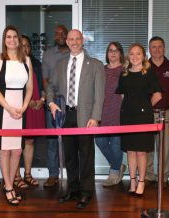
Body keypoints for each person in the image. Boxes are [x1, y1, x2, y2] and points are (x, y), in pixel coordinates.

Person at [47, 29, 105, 209]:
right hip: (66, 115)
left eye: (77, 39)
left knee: (86, 155)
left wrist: (95, 117)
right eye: (70, 39)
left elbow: (99, 94)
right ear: (67, 41)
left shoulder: (95, 64)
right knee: (70, 156)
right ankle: (73, 189)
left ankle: (87, 192)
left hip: (86, 116)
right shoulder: (60, 64)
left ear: (82, 41)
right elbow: (51, 86)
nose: (74, 42)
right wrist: (50, 103)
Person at [0, 25, 33, 206]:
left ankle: (11, 183)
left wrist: (23, 107)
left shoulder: (26, 60)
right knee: (4, 150)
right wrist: (8, 107)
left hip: (20, 110)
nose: (12, 40)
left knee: (17, 150)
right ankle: (8, 186)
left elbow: (29, 87)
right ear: (4, 40)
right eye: (9, 37)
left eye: (15, 37)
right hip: (3, 109)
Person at [115, 43, 162, 197]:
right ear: (129, 56)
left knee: (141, 152)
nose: (135, 57)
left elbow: (158, 95)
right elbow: (122, 95)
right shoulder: (125, 73)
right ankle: (133, 181)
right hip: (127, 116)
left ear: (143, 56)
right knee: (130, 151)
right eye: (132, 54)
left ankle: (142, 181)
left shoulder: (148, 73)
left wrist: (145, 107)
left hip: (143, 117)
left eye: (138, 54)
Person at [146, 36, 169, 187]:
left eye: (160, 46)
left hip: (166, 113)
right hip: (146, 113)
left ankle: (164, 177)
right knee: (147, 146)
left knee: (165, 147)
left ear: (164, 48)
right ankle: (148, 176)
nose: (156, 49)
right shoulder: (143, 66)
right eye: (153, 47)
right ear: (149, 49)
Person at [14, 35, 45, 188]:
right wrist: (28, 102)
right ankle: (16, 176)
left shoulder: (36, 64)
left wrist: (42, 100)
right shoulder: (13, 64)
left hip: (36, 107)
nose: (25, 48)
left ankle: (27, 174)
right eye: (22, 45)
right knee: (17, 143)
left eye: (27, 45)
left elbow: (43, 85)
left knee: (30, 141)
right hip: (20, 107)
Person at [95, 42, 126, 187]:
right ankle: (118, 165)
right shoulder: (101, 69)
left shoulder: (125, 70)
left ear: (120, 53)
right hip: (102, 111)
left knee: (115, 144)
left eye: (116, 51)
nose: (113, 53)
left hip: (118, 111)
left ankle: (114, 173)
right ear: (107, 54)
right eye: (110, 51)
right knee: (100, 141)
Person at [42, 25, 70, 187]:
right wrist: (50, 100)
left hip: (71, 102)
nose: (59, 35)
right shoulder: (48, 55)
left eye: (62, 33)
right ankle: (53, 174)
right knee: (52, 139)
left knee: (72, 139)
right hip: (54, 101)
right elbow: (45, 79)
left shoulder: (76, 53)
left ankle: (74, 174)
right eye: (56, 33)